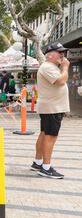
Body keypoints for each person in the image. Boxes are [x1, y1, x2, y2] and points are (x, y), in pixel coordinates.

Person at [31, 43, 70, 179]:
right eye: (59, 52)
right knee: (51, 136)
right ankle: (46, 168)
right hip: (52, 108)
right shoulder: (48, 66)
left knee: (44, 134)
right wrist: (65, 67)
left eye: (63, 52)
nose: (62, 55)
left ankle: (38, 162)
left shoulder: (50, 66)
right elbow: (60, 81)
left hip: (51, 107)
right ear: (50, 54)